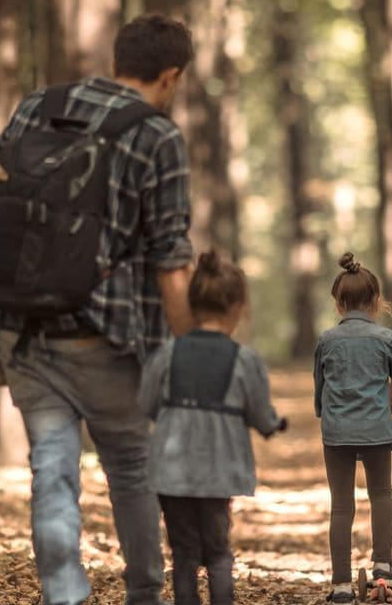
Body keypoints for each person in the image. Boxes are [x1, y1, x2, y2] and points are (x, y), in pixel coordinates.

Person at [0, 14, 198, 605]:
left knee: (52, 469)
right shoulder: (158, 137)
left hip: (20, 330)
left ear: (118, 58)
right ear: (170, 76)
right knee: (130, 470)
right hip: (109, 340)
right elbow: (172, 264)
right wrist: (194, 354)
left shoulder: (39, 106)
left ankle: (63, 596)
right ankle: (145, 594)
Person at [136, 251, 285, 605]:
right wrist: (272, 424)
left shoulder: (167, 355)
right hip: (219, 471)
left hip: (171, 473)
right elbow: (261, 416)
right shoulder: (245, 360)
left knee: (184, 553)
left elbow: (145, 404)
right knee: (218, 551)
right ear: (236, 308)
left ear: (191, 304)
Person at [314, 252, 392, 605]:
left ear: (338, 302)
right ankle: (381, 564)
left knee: (341, 506)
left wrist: (326, 413)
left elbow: (320, 393)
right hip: (376, 429)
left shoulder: (326, 340)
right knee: (381, 494)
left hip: (337, 433)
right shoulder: (385, 338)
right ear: (376, 300)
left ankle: (342, 585)